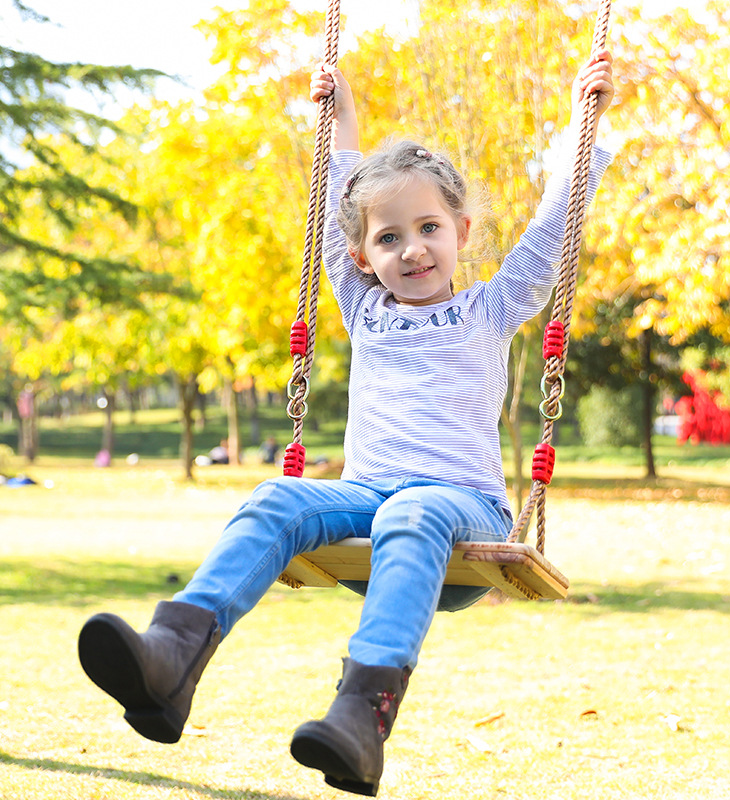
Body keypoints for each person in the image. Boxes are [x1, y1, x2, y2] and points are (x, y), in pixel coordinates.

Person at [78, 53, 615, 797]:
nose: (412, 248)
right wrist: (341, 115)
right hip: (366, 497)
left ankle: (362, 717)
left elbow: (554, 229)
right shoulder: (365, 311)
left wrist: (585, 130)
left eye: (429, 227)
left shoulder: (490, 308)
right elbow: (337, 192)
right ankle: (170, 660)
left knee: (412, 507)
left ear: (462, 231)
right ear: (362, 254)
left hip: (458, 507)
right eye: (388, 237)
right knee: (276, 498)